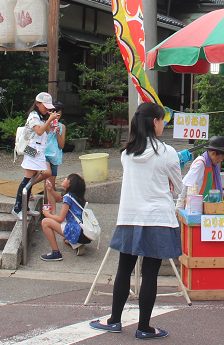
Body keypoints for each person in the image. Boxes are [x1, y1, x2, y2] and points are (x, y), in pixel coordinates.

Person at [90, 102, 183, 340]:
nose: (164, 124)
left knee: (124, 269)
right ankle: (144, 327)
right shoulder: (168, 152)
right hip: (158, 218)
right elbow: (179, 187)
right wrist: (170, 185)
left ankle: (114, 320)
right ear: (154, 122)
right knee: (150, 273)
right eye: (163, 120)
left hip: (130, 217)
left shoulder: (126, 154)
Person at [12, 92, 59, 217]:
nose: (47, 109)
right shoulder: (33, 116)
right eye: (45, 106)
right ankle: (18, 208)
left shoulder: (42, 117)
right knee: (27, 180)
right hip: (32, 150)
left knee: (31, 180)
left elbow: (44, 132)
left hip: (39, 151)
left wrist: (51, 126)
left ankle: (25, 207)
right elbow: (38, 131)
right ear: (37, 104)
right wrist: (49, 119)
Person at [39, 173, 90, 260]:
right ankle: (78, 244)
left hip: (76, 231)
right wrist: (50, 190)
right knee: (65, 238)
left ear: (71, 185)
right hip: (84, 232)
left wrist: (48, 215)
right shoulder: (75, 196)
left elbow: (60, 219)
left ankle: (56, 253)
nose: (65, 179)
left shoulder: (68, 197)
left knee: (45, 222)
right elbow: (59, 199)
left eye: (67, 179)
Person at [42, 101, 66, 213]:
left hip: (55, 156)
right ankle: (29, 187)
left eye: (59, 114)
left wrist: (57, 132)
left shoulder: (62, 127)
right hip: (44, 154)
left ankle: (52, 212)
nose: (56, 116)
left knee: (50, 186)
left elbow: (61, 145)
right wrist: (49, 127)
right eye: (54, 113)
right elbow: (39, 137)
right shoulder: (44, 123)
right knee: (47, 174)